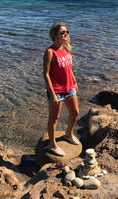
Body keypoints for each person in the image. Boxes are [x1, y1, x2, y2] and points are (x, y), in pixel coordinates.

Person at [43, 23, 80, 156]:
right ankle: (52, 145)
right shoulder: (50, 52)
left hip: (69, 87)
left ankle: (68, 134)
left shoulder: (66, 48)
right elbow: (46, 74)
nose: (66, 34)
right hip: (56, 90)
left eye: (67, 32)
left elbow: (69, 68)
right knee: (54, 118)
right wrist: (52, 93)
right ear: (54, 35)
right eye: (62, 32)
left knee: (75, 112)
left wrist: (74, 81)